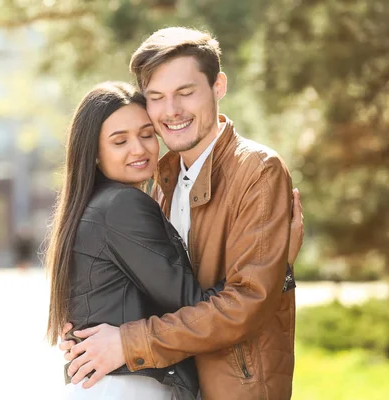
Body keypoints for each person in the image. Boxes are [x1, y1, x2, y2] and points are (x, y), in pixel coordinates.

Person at [61, 27, 303, 400]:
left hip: (235, 386)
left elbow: (246, 302)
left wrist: (127, 342)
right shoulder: (164, 179)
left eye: (185, 93)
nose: (171, 111)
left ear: (218, 87)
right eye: (156, 97)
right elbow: (161, 290)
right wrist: (94, 323)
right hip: (177, 384)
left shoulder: (256, 170)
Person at [46, 82, 229, 399]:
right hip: (127, 389)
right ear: (94, 154)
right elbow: (195, 306)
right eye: (120, 141)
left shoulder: (94, 205)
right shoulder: (121, 206)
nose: (139, 149)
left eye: (146, 134)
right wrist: (271, 262)